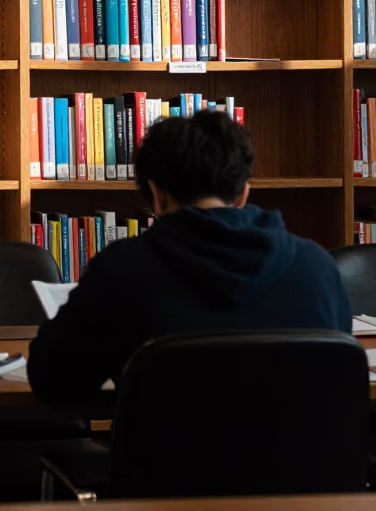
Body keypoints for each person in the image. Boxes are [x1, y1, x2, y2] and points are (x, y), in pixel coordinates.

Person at [27, 109, 352, 407]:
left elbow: (54, 383)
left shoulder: (121, 271)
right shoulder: (317, 267)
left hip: (166, 470)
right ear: (242, 194)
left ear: (156, 194)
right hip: (304, 470)